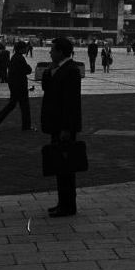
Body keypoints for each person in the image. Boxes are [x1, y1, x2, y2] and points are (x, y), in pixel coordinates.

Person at [41, 37, 83, 217]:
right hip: (56, 124)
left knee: (66, 167)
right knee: (60, 165)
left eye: (52, 49)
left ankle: (68, 206)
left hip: (64, 127)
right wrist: (48, 72)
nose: (50, 52)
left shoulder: (71, 70)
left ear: (60, 52)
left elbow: (71, 103)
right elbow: (47, 89)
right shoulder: (59, 68)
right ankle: (62, 203)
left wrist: (67, 128)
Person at [0, 41, 34, 131]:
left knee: (12, 104)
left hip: (14, 85)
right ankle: (26, 126)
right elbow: (28, 70)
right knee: (24, 106)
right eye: (25, 47)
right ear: (22, 49)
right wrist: (29, 67)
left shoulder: (15, 57)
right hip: (20, 86)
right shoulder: (20, 58)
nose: (27, 49)